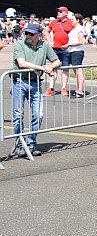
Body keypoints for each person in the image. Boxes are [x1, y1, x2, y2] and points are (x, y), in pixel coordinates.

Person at [10, 22, 61, 155]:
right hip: (19, 81)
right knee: (18, 115)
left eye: (31, 34)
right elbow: (21, 63)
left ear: (39, 34)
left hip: (35, 82)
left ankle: (31, 143)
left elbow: (57, 61)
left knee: (38, 114)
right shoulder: (19, 44)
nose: (28, 36)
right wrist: (43, 67)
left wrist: (51, 66)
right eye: (26, 33)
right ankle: (20, 144)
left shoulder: (44, 45)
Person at [44, 6, 74, 95]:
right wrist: (49, 41)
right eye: (58, 11)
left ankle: (64, 87)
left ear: (65, 13)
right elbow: (46, 31)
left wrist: (70, 44)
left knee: (65, 68)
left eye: (60, 11)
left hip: (66, 48)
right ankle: (51, 87)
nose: (58, 13)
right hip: (55, 48)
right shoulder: (54, 22)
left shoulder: (70, 22)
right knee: (54, 67)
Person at [65, 13, 88, 97]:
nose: (71, 21)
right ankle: (78, 89)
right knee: (75, 71)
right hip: (72, 51)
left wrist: (69, 45)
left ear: (78, 20)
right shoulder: (74, 29)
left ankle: (80, 90)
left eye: (73, 19)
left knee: (78, 71)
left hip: (77, 51)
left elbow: (81, 41)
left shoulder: (80, 29)